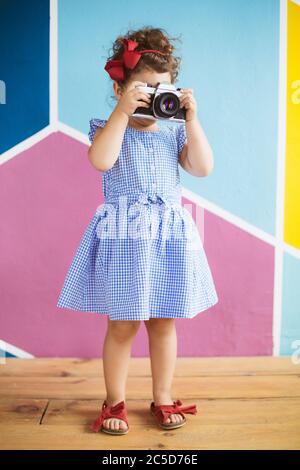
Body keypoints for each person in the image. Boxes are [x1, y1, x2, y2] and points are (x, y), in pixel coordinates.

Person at [57, 27, 219, 436]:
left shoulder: (175, 131)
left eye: (161, 90)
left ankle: (163, 396)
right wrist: (123, 114)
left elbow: (202, 168)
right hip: (124, 237)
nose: (152, 97)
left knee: (164, 322)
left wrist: (192, 119)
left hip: (167, 238)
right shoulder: (109, 126)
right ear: (119, 89)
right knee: (123, 324)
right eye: (142, 90)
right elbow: (101, 160)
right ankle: (115, 400)